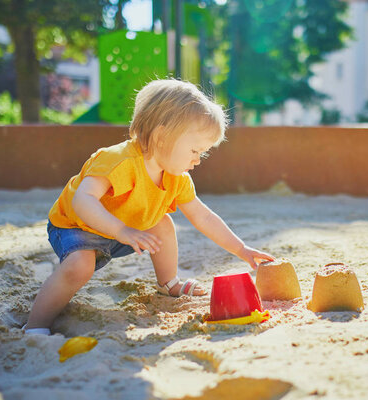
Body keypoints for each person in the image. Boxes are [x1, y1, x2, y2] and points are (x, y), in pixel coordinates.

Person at [24, 79, 274, 335]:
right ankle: (36, 325)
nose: (198, 160)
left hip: (124, 230)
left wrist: (241, 249)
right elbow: (83, 200)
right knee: (80, 266)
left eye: (203, 153)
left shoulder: (176, 178)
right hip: (76, 226)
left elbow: (203, 217)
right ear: (161, 136)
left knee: (162, 222)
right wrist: (122, 230)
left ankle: (168, 283)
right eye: (195, 150)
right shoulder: (119, 161)